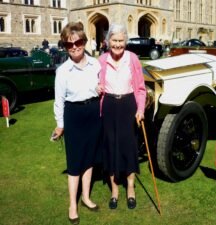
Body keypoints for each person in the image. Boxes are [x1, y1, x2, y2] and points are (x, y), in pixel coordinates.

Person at [52, 21, 101, 225]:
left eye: (78, 42)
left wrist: (100, 89)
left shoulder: (96, 64)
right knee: (74, 162)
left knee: (89, 159)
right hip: (73, 115)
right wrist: (60, 124)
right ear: (65, 46)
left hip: (93, 113)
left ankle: (86, 197)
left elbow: (101, 86)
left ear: (84, 41)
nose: (74, 47)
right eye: (68, 44)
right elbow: (59, 101)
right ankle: (73, 205)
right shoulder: (63, 71)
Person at [97, 23, 146, 210]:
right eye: (114, 40)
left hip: (128, 106)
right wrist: (96, 87)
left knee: (129, 147)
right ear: (108, 41)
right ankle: (115, 191)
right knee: (110, 147)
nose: (117, 44)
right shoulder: (101, 60)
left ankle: (130, 188)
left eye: (121, 40)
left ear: (125, 41)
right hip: (109, 106)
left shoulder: (132, 59)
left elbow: (141, 89)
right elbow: (94, 84)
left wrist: (140, 109)